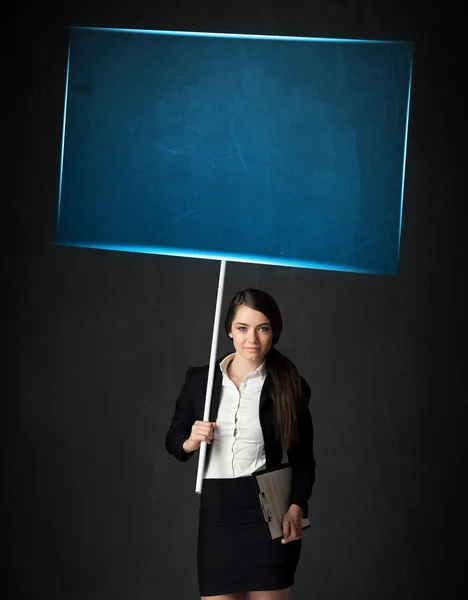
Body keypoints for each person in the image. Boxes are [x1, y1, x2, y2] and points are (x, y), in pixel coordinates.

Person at [165, 288, 315, 600]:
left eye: (263, 329)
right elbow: (174, 440)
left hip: (267, 510)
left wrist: (296, 507)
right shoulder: (201, 381)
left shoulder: (289, 384)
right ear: (229, 330)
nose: (253, 340)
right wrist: (191, 440)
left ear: (274, 331)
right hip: (218, 511)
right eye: (243, 328)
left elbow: (304, 459)